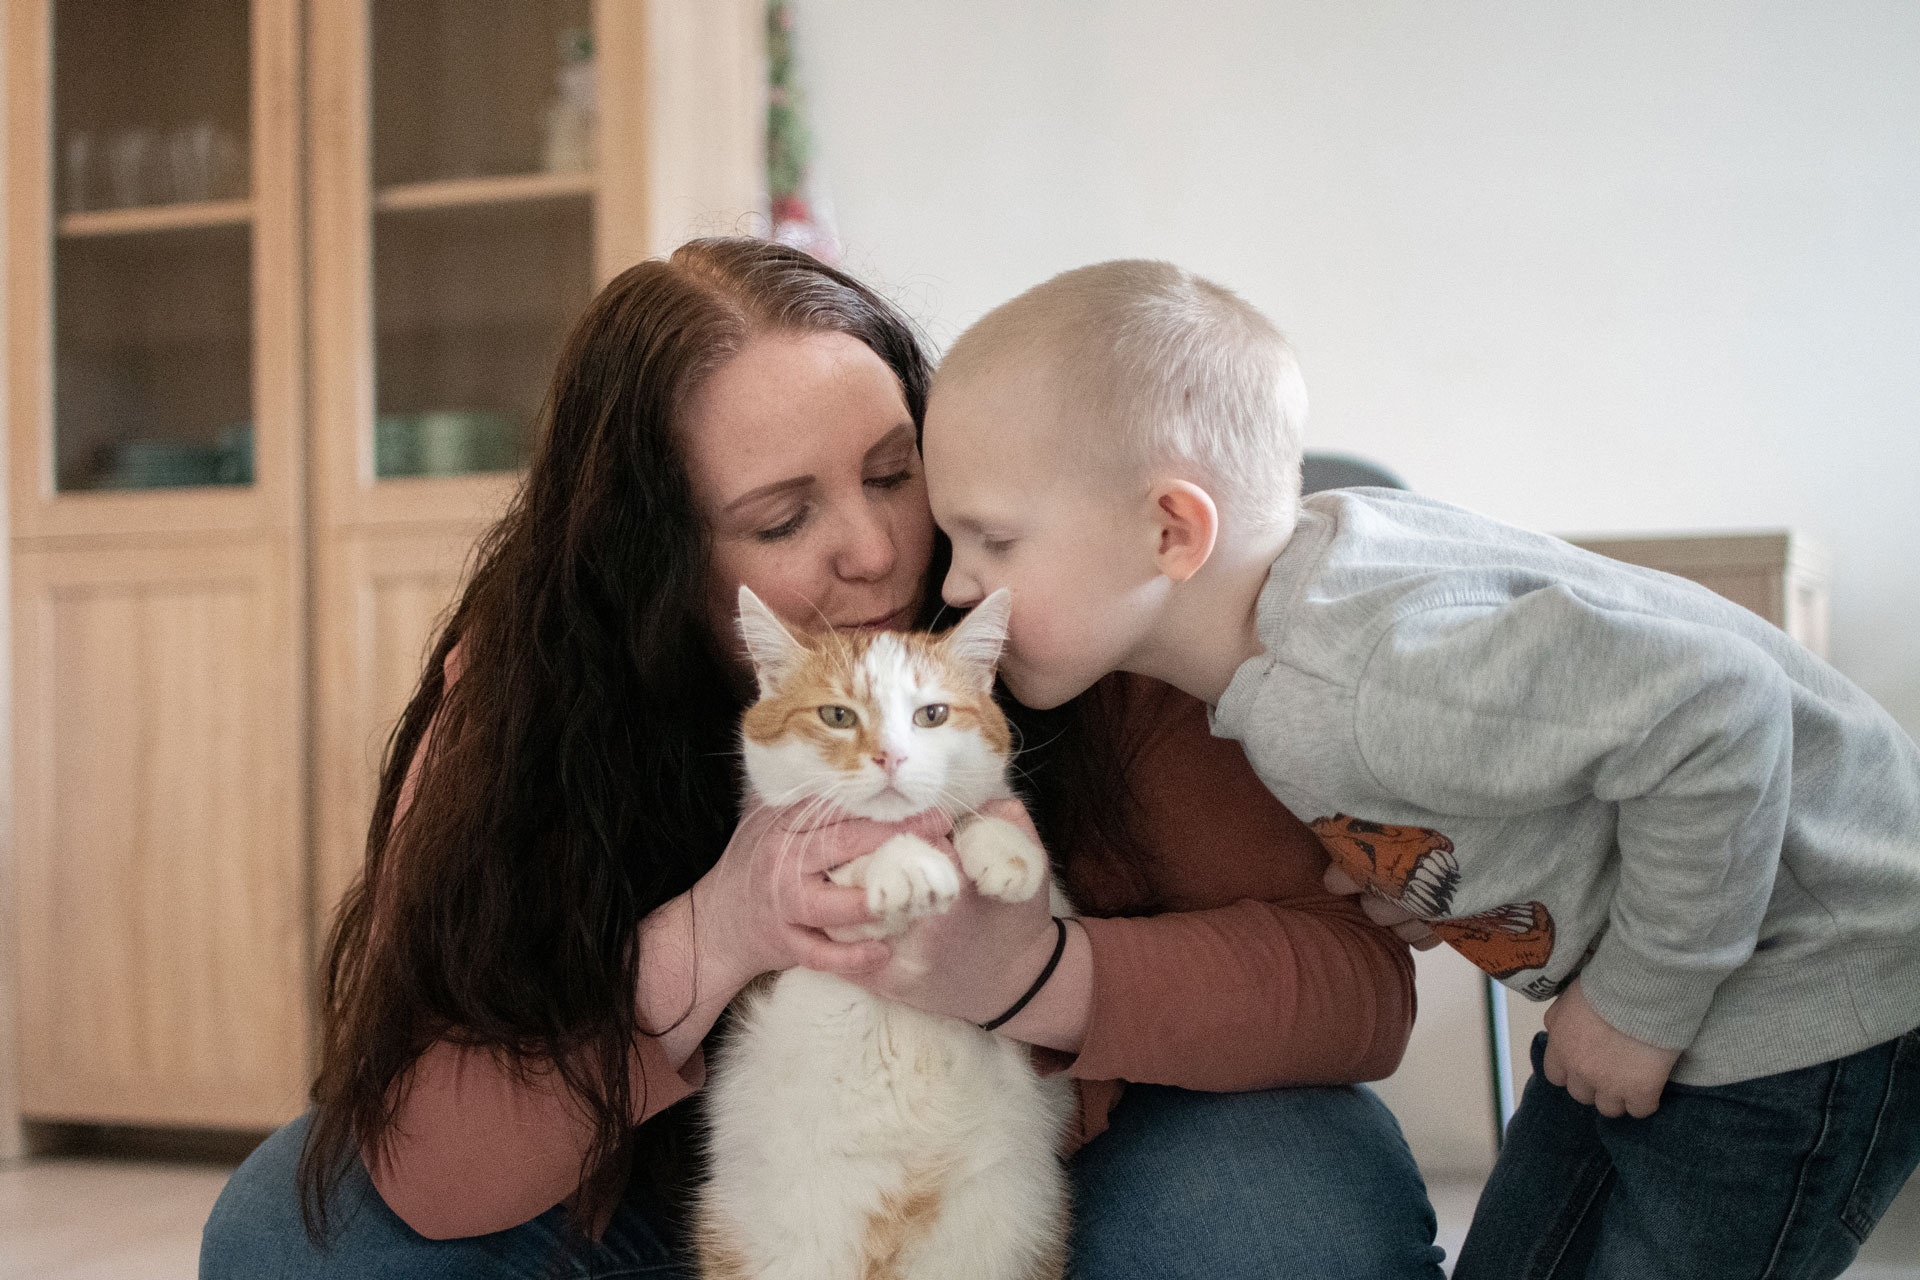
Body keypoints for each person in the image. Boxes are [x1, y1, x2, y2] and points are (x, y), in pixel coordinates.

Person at [200, 238, 1447, 1279]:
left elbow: (1357, 988)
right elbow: (430, 1151)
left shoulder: (1073, 614)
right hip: (725, 1188)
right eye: (782, 518)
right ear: (656, 563)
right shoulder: (538, 690)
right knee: (295, 1234)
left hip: (1042, 1163)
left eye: (897, 473)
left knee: (1289, 1206)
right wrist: (723, 929)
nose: (878, 550)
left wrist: (1036, 974)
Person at [919, 256, 1920, 1278]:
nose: (956, 581)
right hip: (1683, 971)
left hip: (1803, 983)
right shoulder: (1305, 617)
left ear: (1172, 529)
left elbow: (1724, 713)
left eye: (991, 539)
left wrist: (1637, 1006)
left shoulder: (1370, 676)